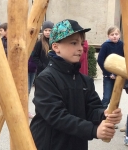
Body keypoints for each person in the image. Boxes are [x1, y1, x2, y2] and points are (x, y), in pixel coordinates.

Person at [30, 19, 122, 150]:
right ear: (56, 47)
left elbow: (93, 108)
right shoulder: (46, 79)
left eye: (81, 43)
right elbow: (57, 116)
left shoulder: (85, 80)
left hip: (77, 144)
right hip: (50, 144)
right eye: (73, 43)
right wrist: (93, 130)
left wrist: (105, 114)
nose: (80, 48)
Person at [97, 26, 124, 108]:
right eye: (112, 34)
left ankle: (113, 117)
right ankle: (101, 116)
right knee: (106, 98)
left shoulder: (122, 45)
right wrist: (108, 73)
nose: (115, 36)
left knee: (115, 99)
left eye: (116, 34)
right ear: (108, 36)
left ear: (119, 35)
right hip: (108, 76)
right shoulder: (105, 45)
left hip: (119, 76)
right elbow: (100, 60)